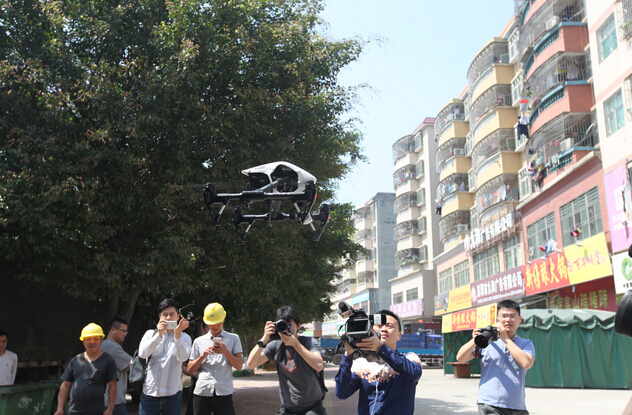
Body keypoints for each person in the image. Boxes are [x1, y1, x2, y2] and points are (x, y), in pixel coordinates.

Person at [334, 310, 422, 415]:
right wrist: (348, 354)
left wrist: (381, 348)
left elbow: (414, 374)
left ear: (399, 335)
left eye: (390, 326)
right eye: (379, 326)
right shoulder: (361, 364)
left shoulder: (410, 358)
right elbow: (342, 393)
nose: (384, 329)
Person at [456, 299, 535, 415]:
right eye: (504, 316)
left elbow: (526, 363)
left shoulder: (525, 344)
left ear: (520, 319)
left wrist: (505, 338)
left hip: (517, 406)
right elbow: (461, 358)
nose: (508, 320)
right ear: (497, 319)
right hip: (491, 404)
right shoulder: (487, 341)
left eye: (512, 316)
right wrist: (475, 340)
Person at [246, 306, 326, 415]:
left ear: (298, 326)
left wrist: (296, 345)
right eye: (282, 325)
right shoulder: (275, 346)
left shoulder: (308, 342)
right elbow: (251, 364)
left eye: (289, 325)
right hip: (288, 409)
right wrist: (264, 339)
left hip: (312, 407)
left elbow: (319, 365)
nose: (285, 329)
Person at [187, 303, 243, 415]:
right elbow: (190, 369)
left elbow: (239, 365)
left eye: (218, 322)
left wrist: (226, 352)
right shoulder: (198, 341)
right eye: (212, 323)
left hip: (224, 392)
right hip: (202, 391)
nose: (215, 326)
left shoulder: (233, 338)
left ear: (223, 320)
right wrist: (202, 356)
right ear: (206, 322)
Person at [138, 299, 192, 415]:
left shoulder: (185, 337)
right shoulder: (150, 334)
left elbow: (183, 358)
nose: (168, 318)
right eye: (165, 314)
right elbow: (142, 354)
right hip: (150, 394)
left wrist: (177, 335)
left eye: (172, 314)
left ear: (178, 316)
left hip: (173, 396)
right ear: (160, 317)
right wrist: (159, 335)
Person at [54, 323, 118, 415]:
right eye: (88, 339)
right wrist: (60, 408)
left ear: (101, 341)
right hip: (73, 412)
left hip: (96, 411)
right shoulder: (75, 360)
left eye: (95, 339)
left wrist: (110, 409)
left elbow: (113, 385)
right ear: (83, 341)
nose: (92, 342)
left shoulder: (108, 361)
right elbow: (65, 385)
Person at [100, 317, 133, 415]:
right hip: (113, 400)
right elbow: (132, 364)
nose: (125, 334)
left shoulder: (105, 345)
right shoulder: (111, 347)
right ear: (113, 330)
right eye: (123, 331)